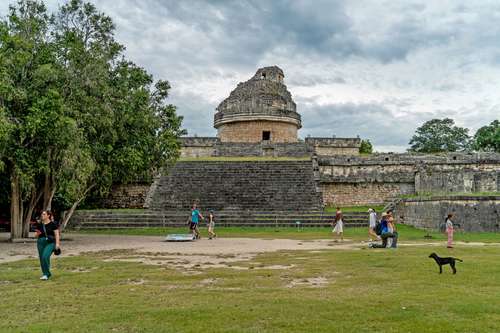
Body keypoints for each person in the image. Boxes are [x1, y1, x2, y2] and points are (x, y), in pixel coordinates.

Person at [35, 210, 60, 280]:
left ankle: (47, 274)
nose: (42, 215)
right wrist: (37, 234)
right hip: (40, 242)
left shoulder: (53, 224)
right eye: (42, 214)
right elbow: (36, 235)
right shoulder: (39, 224)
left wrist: (57, 244)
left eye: (44, 214)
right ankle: (45, 274)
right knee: (41, 258)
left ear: (48, 215)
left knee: (45, 256)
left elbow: (57, 234)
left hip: (50, 242)